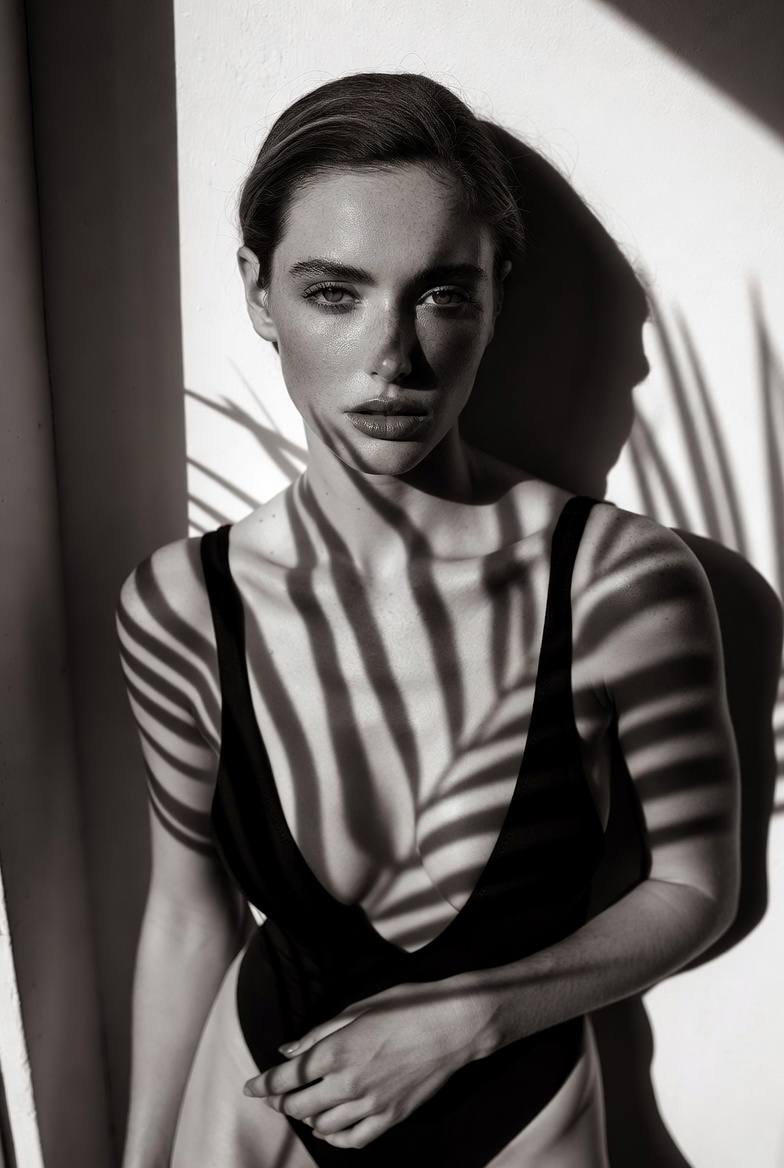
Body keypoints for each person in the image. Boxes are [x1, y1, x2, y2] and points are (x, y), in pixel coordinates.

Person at [117, 72, 740, 1168]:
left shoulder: (618, 583)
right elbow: (186, 917)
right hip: (250, 1116)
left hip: (522, 1122)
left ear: (497, 289)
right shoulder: (181, 605)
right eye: (334, 292)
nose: (393, 359)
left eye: (442, 293)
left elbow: (694, 886)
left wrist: (470, 1019)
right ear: (259, 293)